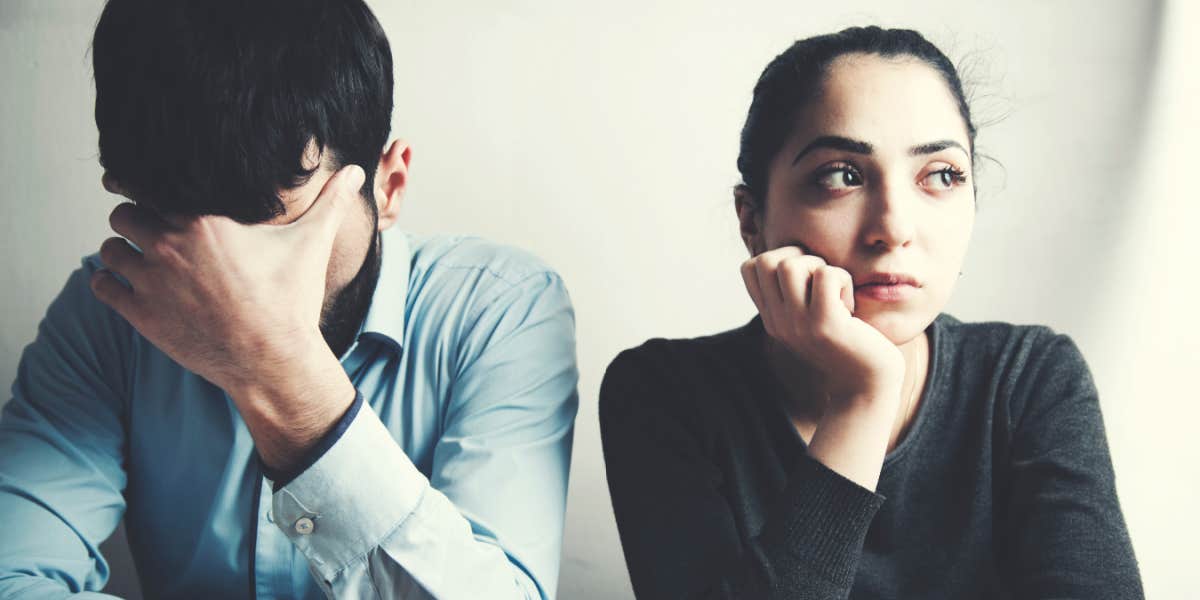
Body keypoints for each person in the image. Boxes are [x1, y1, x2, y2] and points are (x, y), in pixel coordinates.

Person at [0, 1, 578, 598]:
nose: (233, 278)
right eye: (191, 232)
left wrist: (284, 381)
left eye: (271, 224)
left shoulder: (500, 311)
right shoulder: (108, 312)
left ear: (389, 184)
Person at [600, 26, 1143, 599]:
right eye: (842, 175)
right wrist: (863, 398)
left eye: (940, 175)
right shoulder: (663, 394)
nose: (894, 228)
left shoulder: (1027, 379)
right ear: (752, 220)